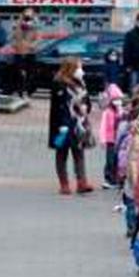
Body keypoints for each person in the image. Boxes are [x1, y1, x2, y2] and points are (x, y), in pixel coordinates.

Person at [49, 57, 93, 195]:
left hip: (78, 124)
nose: (81, 71)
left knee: (78, 152)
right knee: (61, 153)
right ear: (70, 69)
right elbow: (58, 107)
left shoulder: (81, 84)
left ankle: (82, 181)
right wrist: (61, 124)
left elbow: (87, 100)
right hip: (62, 125)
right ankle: (64, 184)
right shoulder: (59, 84)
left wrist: (86, 108)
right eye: (78, 67)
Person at [98, 84, 126, 190]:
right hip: (110, 140)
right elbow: (103, 127)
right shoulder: (107, 112)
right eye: (115, 99)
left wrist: (120, 109)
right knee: (110, 160)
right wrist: (103, 139)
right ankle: (109, 178)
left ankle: (117, 178)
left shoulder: (120, 110)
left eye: (119, 99)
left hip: (118, 140)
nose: (117, 101)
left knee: (118, 160)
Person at [11, 8, 40, 98]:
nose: (28, 15)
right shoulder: (18, 25)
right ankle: (18, 90)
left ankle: (27, 91)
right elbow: (13, 37)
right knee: (19, 72)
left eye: (30, 14)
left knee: (30, 73)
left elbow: (38, 39)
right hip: (19, 52)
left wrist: (32, 46)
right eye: (26, 13)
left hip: (30, 52)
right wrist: (15, 45)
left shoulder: (36, 26)